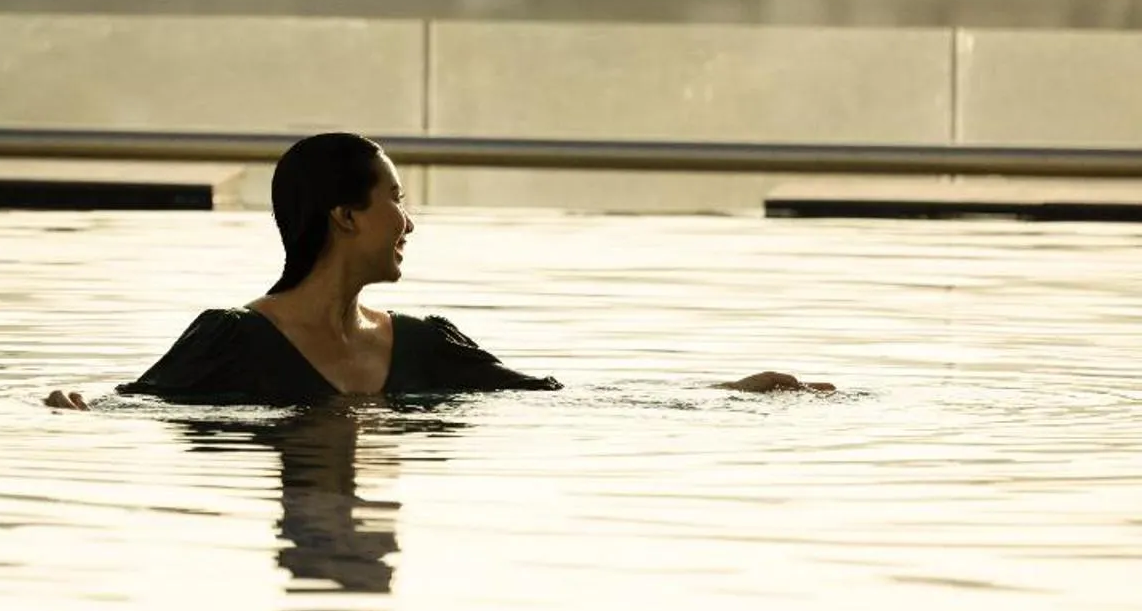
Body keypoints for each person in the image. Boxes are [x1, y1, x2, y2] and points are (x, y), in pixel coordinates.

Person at [45, 132, 831, 409]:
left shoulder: (425, 347)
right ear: (345, 217)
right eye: (396, 198)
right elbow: (127, 411)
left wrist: (732, 394)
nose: (409, 221)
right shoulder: (230, 341)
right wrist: (71, 405)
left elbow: (562, 400)